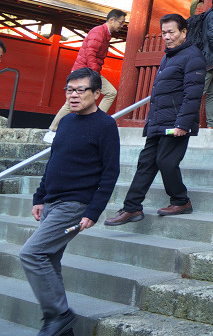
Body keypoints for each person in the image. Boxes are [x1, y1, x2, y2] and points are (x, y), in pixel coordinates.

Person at [20, 68, 120, 336]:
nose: (73, 95)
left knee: (31, 253)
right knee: (49, 262)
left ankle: (60, 316)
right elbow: (53, 162)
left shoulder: (106, 125)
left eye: (80, 90)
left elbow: (110, 172)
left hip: (75, 206)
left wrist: (93, 211)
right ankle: (61, 328)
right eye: (69, 90)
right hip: (52, 202)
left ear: (97, 94)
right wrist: (40, 197)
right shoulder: (65, 122)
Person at [104, 14, 205, 226]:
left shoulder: (193, 56)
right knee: (145, 163)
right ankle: (132, 208)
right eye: (164, 33)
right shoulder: (169, 56)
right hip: (159, 121)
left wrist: (182, 124)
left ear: (184, 32)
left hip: (176, 123)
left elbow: (193, 93)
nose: (167, 37)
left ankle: (181, 200)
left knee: (166, 162)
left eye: (172, 32)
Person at [48, 9, 126, 134]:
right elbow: (90, 53)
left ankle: (93, 121)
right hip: (83, 72)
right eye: (121, 23)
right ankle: (53, 130)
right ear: (112, 20)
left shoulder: (105, 34)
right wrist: (94, 73)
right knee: (72, 101)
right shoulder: (98, 32)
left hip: (90, 71)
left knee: (110, 92)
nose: (122, 26)